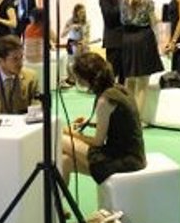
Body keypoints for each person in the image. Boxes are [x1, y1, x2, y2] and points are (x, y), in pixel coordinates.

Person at [59, 52, 146, 186]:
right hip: (134, 156)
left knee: (62, 139)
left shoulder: (105, 100)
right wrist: (91, 124)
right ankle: (59, 199)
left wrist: (72, 134)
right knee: (65, 161)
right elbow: (120, 123)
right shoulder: (119, 89)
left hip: (123, 160)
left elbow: (97, 142)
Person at [120, 0, 162, 117]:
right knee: (143, 82)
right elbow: (153, 22)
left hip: (127, 39)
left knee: (129, 80)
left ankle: (127, 116)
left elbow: (122, 19)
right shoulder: (148, 2)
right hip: (143, 39)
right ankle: (137, 119)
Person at [99, 0, 129, 84]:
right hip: (114, 40)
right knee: (112, 75)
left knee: (125, 76)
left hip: (126, 39)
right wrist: (123, 3)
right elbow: (108, 15)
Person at [62, 3, 91, 86]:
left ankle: (83, 80)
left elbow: (87, 36)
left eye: (84, 12)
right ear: (76, 12)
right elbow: (62, 35)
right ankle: (72, 79)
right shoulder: (70, 21)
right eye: (80, 12)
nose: (83, 14)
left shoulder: (87, 22)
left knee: (85, 63)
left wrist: (84, 43)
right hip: (72, 43)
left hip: (83, 44)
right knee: (71, 63)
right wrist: (71, 27)